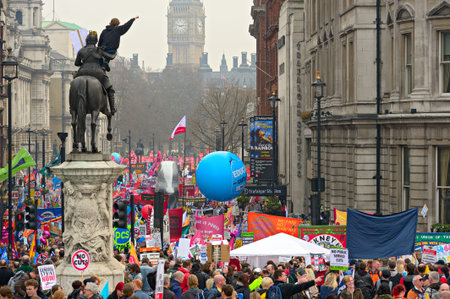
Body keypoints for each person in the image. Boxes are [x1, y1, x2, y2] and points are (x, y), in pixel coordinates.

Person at [74, 31, 117, 116]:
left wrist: (84, 64)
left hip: (82, 72)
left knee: (74, 85)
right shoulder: (99, 50)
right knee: (109, 89)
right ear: (96, 41)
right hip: (97, 72)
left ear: (87, 40)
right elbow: (110, 57)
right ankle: (112, 108)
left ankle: (74, 106)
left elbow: (76, 63)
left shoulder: (81, 51)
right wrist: (114, 52)